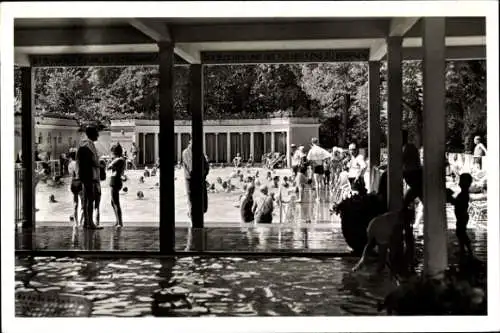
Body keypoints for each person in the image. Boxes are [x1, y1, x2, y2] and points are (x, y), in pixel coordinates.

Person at [352, 210, 406, 274]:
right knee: (385, 256)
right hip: (382, 228)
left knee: (370, 244)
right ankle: (382, 272)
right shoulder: (397, 222)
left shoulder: (393, 216)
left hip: (373, 224)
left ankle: (361, 263)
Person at [76, 125, 103, 229]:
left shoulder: (83, 144)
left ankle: (86, 222)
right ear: (92, 134)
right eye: (96, 133)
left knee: (86, 199)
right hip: (89, 176)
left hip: (84, 175)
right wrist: (100, 165)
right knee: (90, 199)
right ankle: (90, 223)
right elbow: (91, 161)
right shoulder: (88, 144)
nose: (98, 135)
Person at [447, 173, 474, 258]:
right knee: (460, 233)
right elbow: (457, 202)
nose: (460, 183)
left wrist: (450, 198)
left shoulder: (464, 194)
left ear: (467, 184)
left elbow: (457, 203)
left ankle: (469, 250)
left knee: (461, 233)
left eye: (462, 181)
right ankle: (462, 249)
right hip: (461, 216)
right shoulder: (463, 193)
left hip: (462, 216)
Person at [182, 138, 210, 220]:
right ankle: (193, 225)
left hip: (200, 180)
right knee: (193, 206)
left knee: (204, 207)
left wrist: (204, 174)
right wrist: (203, 174)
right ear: (190, 141)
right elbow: (192, 169)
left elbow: (206, 166)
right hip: (192, 182)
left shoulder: (199, 152)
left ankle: (195, 222)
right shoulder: (186, 152)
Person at [108, 143, 126, 228]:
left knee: (115, 202)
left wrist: (111, 161)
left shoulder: (119, 159)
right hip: (116, 180)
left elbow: (109, 166)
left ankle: (120, 222)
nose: (112, 153)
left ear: (115, 152)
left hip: (115, 180)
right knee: (113, 202)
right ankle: (117, 221)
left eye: (112, 152)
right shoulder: (121, 159)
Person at [67, 149, 83, 226]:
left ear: (70, 156)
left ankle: (76, 223)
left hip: (73, 183)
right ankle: (81, 222)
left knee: (75, 203)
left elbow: (71, 174)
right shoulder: (79, 163)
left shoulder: (70, 165)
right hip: (79, 182)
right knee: (83, 204)